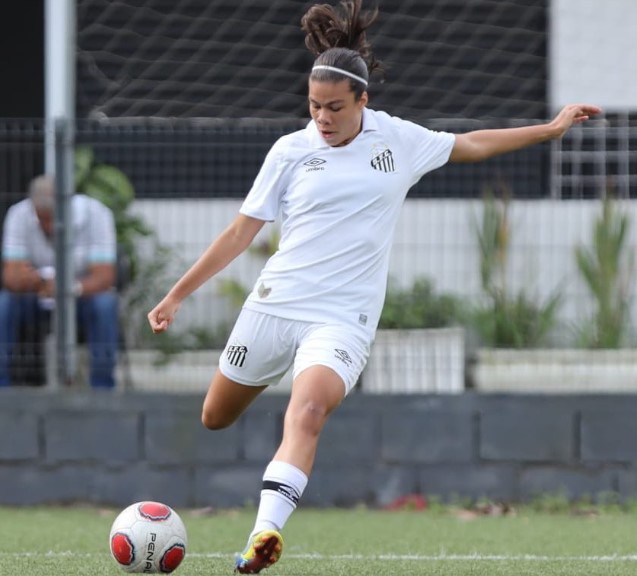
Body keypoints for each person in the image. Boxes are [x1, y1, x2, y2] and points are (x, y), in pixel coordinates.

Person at [148, 0, 601, 572]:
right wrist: (177, 294)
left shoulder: (398, 141)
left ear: (363, 100)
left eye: (335, 107)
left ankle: (263, 536)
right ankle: (264, 495)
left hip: (342, 318)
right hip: (276, 304)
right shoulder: (290, 151)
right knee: (215, 416)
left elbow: (475, 143)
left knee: (307, 411)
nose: (323, 118)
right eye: (314, 106)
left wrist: (552, 128)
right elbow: (242, 231)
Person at [0, 174, 119, 388]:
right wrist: (38, 282)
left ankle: (103, 389)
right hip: (35, 297)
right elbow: (11, 276)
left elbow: (104, 277)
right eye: (42, 218)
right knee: (4, 304)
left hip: (81, 298)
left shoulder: (97, 214)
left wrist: (67, 288)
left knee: (105, 304)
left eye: (53, 217)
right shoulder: (18, 214)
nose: (49, 226)